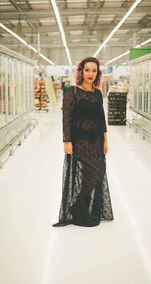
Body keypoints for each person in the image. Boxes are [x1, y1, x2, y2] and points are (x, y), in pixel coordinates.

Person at [53, 57, 114, 227]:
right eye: (87, 70)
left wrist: (106, 140)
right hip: (79, 139)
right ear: (81, 71)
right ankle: (78, 207)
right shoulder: (72, 91)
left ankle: (80, 207)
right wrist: (67, 141)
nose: (90, 74)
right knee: (96, 171)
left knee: (94, 172)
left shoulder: (97, 93)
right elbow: (66, 118)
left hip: (96, 138)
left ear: (97, 73)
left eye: (94, 71)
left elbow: (102, 119)